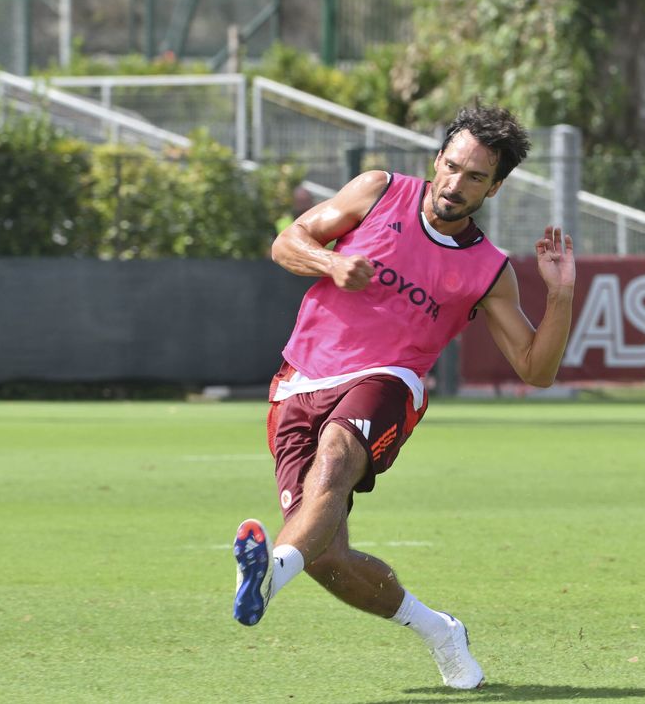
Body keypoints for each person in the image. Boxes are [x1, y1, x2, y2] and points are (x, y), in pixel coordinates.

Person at [232, 104, 576, 690]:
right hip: (299, 383)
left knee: (337, 458)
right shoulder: (377, 190)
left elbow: (535, 369)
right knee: (329, 558)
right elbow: (286, 242)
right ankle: (439, 630)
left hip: (390, 381)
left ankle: (268, 577)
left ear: (493, 189)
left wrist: (562, 296)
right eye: (452, 166)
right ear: (437, 159)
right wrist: (331, 262)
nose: (455, 184)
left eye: (474, 177)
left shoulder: (489, 271)